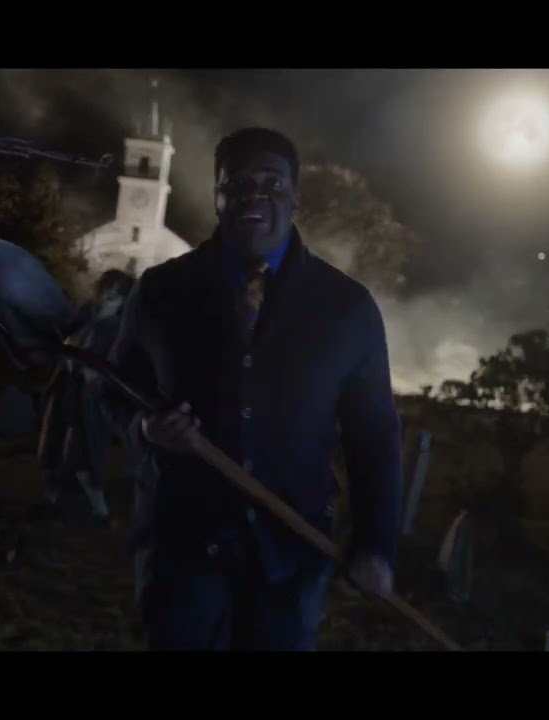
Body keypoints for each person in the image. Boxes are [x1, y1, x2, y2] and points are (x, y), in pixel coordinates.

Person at [103, 127, 402, 651]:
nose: (254, 195)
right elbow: (114, 392)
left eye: (272, 183)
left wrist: (376, 545)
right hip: (183, 554)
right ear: (218, 196)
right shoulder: (162, 292)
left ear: (295, 197)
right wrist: (146, 430)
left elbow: (374, 435)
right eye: (237, 182)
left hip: (290, 561)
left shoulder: (346, 308)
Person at [40, 269, 135, 524]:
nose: (109, 297)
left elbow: (114, 368)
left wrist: (93, 373)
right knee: (51, 448)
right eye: (107, 290)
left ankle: (100, 510)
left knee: (83, 454)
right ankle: (50, 501)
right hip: (64, 388)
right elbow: (61, 343)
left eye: (117, 293)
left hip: (89, 396)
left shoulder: (117, 330)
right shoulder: (84, 316)